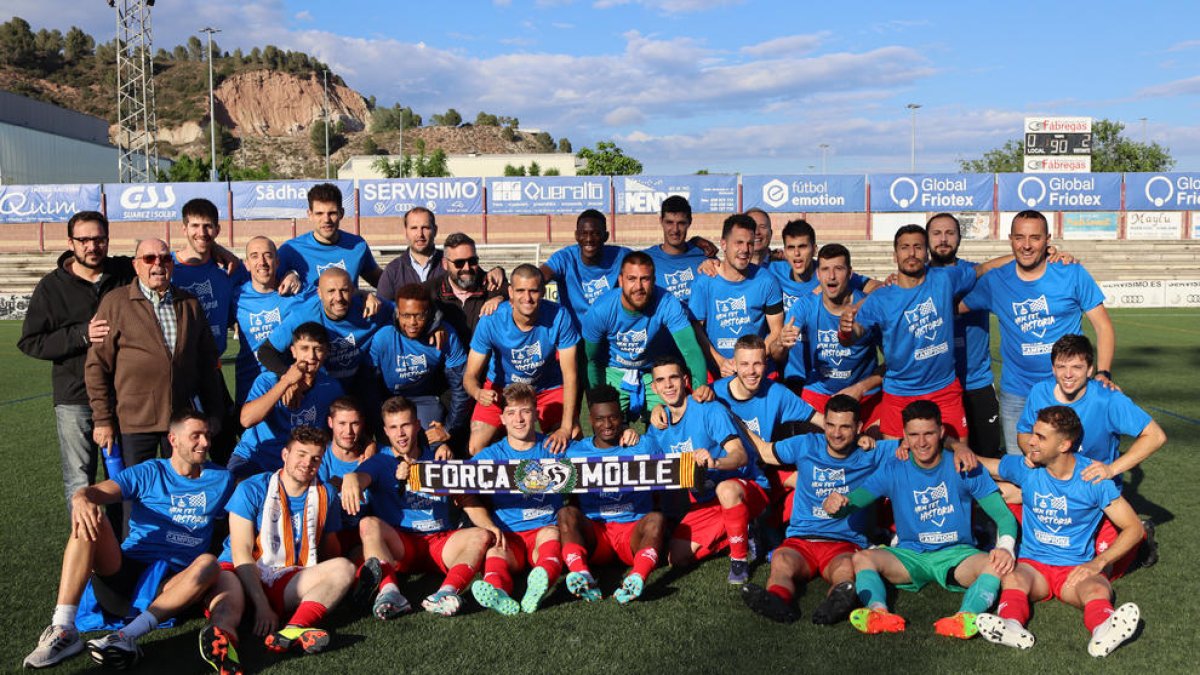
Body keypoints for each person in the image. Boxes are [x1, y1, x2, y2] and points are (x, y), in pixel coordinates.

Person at [23, 411, 237, 670]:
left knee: (209, 563)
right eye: (196, 436)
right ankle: (63, 628)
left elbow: (243, 512)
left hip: (173, 584)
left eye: (206, 435)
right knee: (91, 516)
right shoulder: (149, 471)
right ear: (173, 439)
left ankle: (126, 637)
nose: (205, 443)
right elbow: (96, 492)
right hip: (125, 574)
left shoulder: (221, 478)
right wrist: (82, 497)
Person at [822, 401, 1016, 638]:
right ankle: (878, 613)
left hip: (958, 554)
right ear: (904, 435)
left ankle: (967, 617)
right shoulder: (894, 468)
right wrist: (836, 506)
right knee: (863, 558)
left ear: (941, 432)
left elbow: (1004, 516)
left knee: (996, 564)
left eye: (929, 434)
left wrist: (1005, 548)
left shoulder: (964, 465)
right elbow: (854, 501)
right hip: (910, 555)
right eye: (914, 435)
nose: (921, 442)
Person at [974, 406, 1144, 657]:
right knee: (1013, 578)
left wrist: (1098, 563)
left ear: (1064, 444)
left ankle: (1104, 629)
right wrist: (956, 449)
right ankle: (1010, 625)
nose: (1030, 441)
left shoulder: (1093, 477)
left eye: (1040, 437)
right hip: (1033, 566)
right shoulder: (1028, 467)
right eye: (1033, 434)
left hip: (1074, 568)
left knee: (1097, 588)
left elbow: (1134, 528)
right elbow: (988, 465)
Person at [960, 209, 1114, 455]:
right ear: (1010, 239)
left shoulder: (1070, 273)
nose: (1027, 245)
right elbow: (952, 307)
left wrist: (1104, 372)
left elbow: (1103, 326)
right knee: (1021, 469)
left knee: (1073, 466)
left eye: (1035, 238)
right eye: (1020, 237)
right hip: (1017, 393)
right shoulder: (996, 281)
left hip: (1068, 388)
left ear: (1048, 240)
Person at [839, 225, 1009, 440]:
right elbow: (852, 335)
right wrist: (846, 330)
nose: (911, 253)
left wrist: (1036, 254)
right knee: (895, 463)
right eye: (905, 247)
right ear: (895, 254)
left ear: (927, 252)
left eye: (918, 247)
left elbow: (983, 269)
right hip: (899, 393)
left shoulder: (944, 279)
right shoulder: (881, 298)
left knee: (957, 459)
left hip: (944, 391)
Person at [339, 396, 497, 619]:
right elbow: (361, 477)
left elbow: (467, 500)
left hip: (439, 540)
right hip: (401, 544)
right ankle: (390, 593)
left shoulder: (438, 457)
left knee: (481, 535)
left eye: (405, 425)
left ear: (417, 425)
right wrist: (351, 479)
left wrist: (491, 527)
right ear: (385, 431)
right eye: (393, 427)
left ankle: (445, 593)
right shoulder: (379, 461)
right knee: (368, 524)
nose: (400, 433)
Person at [1017, 334, 1164, 568]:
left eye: (1077, 367)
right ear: (1052, 368)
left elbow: (1155, 436)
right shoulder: (1039, 393)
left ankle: (1142, 534)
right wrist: (1033, 452)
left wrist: (1111, 469)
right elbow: (1024, 432)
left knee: (1101, 562)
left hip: (1094, 492)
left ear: (1090, 369)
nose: (1067, 374)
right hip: (1052, 486)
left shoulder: (1108, 399)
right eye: (1061, 366)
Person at [19, 211, 134, 510]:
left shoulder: (124, 272)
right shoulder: (51, 287)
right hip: (75, 397)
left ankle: (123, 550)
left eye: (99, 239)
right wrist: (82, 335)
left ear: (108, 240)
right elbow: (31, 341)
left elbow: (162, 256)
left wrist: (218, 250)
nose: (92, 246)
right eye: (83, 240)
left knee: (124, 478)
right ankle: (85, 552)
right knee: (79, 480)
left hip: (124, 395)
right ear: (70, 242)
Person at [740, 395, 882, 625]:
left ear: (859, 427)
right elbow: (765, 452)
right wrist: (730, 419)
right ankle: (777, 600)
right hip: (802, 539)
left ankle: (836, 603)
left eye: (845, 427)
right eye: (831, 425)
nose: (836, 433)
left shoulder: (870, 453)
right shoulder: (806, 443)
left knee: (845, 568)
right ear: (824, 423)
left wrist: (955, 447)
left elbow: (911, 447)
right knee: (782, 559)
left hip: (843, 541)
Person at [85, 238, 226, 466]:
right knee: (136, 492)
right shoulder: (115, 303)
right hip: (134, 423)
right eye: (149, 258)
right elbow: (97, 367)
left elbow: (207, 363)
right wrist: (102, 420)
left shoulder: (189, 303)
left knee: (181, 490)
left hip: (181, 422)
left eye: (165, 258)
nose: (158, 264)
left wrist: (213, 412)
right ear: (136, 265)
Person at [220, 425, 354, 658]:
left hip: (288, 575)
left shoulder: (326, 494)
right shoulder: (252, 488)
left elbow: (330, 550)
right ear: (285, 455)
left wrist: (338, 582)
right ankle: (222, 644)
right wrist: (262, 605)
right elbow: (240, 553)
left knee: (344, 567)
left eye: (315, 458)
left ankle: (293, 630)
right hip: (241, 573)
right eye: (301, 455)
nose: (307, 463)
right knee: (226, 596)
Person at [648, 356, 767, 585]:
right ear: (654, 387)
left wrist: (715, 463)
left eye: (673, 378)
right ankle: (745, 527)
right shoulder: (658, 424)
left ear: (685, 380)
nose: (668, 385)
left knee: (726, 488)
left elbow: (740, 455)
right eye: (661, 381)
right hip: (705, 501)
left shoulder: (709, 410)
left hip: (742, 488)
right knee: (677, 556)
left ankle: (740, 560)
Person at [558, 385, 666, 604]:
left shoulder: (644, 446)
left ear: (622, 417)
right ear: (591, 419)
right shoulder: (575, 452)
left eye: (613, 418)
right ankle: (583, 575)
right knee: (566, 513)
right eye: (600, 419)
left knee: (657, 519)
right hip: (597, 532)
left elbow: (666, 482)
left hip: (633, 532)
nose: (607, 425)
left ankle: (637, 577)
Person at [467, 384, 565, 616]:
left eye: (525, 411)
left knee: (553, 536)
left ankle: (537, 585)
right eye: (511, 413)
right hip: (508, 535)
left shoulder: (553, 447)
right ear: (501, 418)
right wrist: (488, 525)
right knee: (494, 553)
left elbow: (594, 462)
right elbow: (461, 490)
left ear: (536, 414)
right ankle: (498, 591)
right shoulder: (491, 456)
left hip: (544, 528)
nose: (518, 419)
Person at [466, 264, 581, 455]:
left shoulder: (559, 316)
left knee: (572, 438)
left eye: (533, 291)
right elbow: (469, 375)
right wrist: (477, 392)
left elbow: (570, 376)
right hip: (501, 388)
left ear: (543, 291)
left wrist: (566, 428)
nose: (527, 298)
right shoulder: (491, 319)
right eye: (520, 290)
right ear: (510, 291)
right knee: (475, 447)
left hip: (547, 388)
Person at [581, 251, 709, 419]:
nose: (638, 287)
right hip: (613, 370)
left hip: (652, 372)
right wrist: (597, 398)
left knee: (670, 419)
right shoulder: (600, 310)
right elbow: (591, 360)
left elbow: (690, 350)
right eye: (631, 279)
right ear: (620, 281)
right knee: (609, 428)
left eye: (645, 279)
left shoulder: (668, 303)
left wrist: (700, 390)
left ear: (654, 280)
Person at [779, 244, 883, 425]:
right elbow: (776, 351)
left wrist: (860, 388)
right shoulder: (805, 306)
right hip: (820, 393)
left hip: (865, 395)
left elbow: (895, 365)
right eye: (825, 269)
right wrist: (781, 342)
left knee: (876, 448)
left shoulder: (870, 307)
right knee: (814, 447)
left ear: (850, 274)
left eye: (839, 269)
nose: (831, 276)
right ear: (818, 274)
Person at [927, 213, 1003, 457]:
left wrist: (1050, 254)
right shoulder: (915, 279)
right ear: (927, 239)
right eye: (937, 233)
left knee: (986, 457)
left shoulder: (977, 274)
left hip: (976, 383)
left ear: (959, 237)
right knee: (941, 460)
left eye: (950, 233)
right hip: (936, 385)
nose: (943, 239)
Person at [768, 222, 875, 393]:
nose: (796, 254)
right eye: (791, 247)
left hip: (830, 370)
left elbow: (878, 289)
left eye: (802, 246)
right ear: (784, 251)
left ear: (814, 249)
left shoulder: (829, 273)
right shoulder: (773, 271)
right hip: (794, 373)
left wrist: (855, 308)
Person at [230, 322, 344, 479]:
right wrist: (286, 383)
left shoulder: (330, 387)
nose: (311, 356)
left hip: (303, 464)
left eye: (317, 349)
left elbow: (340, 430)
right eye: (304, 348)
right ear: (293, 351)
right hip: (256, 458)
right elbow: (247, 420)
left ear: (326, 353)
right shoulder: (268, 381)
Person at [367, 283, 469, 449]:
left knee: (432, 444)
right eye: (406, 316)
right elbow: (369, 387)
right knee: (394, 447)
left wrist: (449, 428)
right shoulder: (383, 338)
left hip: (425, 399)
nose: (413, 322)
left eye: (419, 316)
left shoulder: (446, 336)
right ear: (397, 313)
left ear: (428, 313)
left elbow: (460, 387)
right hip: (389, 399)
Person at [259, 267, 391, 390]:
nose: (338, 298)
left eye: (344, 290)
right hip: (321, 387)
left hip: (362, 383)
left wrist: (368, 295)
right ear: (320, 293)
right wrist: (289, 377)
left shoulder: (371, 308)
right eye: (331, 291)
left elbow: (402, 312)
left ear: (352, 290)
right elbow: (266, 351)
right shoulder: (304, 315)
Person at [690, 213, 785, 380]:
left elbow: (776, 332)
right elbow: (696, 329)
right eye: (739, 243)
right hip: (717, 370)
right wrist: (720, 362)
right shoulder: (704, 281)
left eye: (750, 243)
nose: (745, 249)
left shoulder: (767, 281)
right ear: (724, 244)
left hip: (756, 372)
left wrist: (749, 363)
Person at [233, 236, 311, 405]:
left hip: (292, 384)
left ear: (277, 262)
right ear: (246, 264)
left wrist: (364, 295)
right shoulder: (236, 297)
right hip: (251, 386)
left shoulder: (298, 293)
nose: (262, 262)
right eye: (254, 256)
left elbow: (331, 291)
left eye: (267, 255)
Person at [277, 183, 383, 290]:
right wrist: (289, 274)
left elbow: (382, 282)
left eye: (332, 213)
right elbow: (265, 287)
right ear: (310, 215)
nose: (326, 220)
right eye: (319, 213)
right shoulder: (290, 250)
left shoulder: (358, 246)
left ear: (341, 213)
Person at [540, 209, 631, 329]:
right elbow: (537, 277)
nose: (589, 239)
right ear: (576, 235)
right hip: (574, 335)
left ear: (606, 236)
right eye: (584, 233)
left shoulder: (622, 256)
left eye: (596, 233)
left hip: (610, 334)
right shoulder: (565, 258)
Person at [425, 232, 507, 339]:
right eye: (459, 263)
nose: (467, 268)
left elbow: (519, 294)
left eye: (472, 261)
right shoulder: (429, 291)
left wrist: (502, 297)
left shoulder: (492, 285)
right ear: (445, 264)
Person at [642, 195, 711, 310]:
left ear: (689, 222)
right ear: (661, 221)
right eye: (669, 222)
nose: (675, 230)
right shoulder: (645, 259)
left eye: (681, 223)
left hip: (698, 326)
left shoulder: (705, 256)